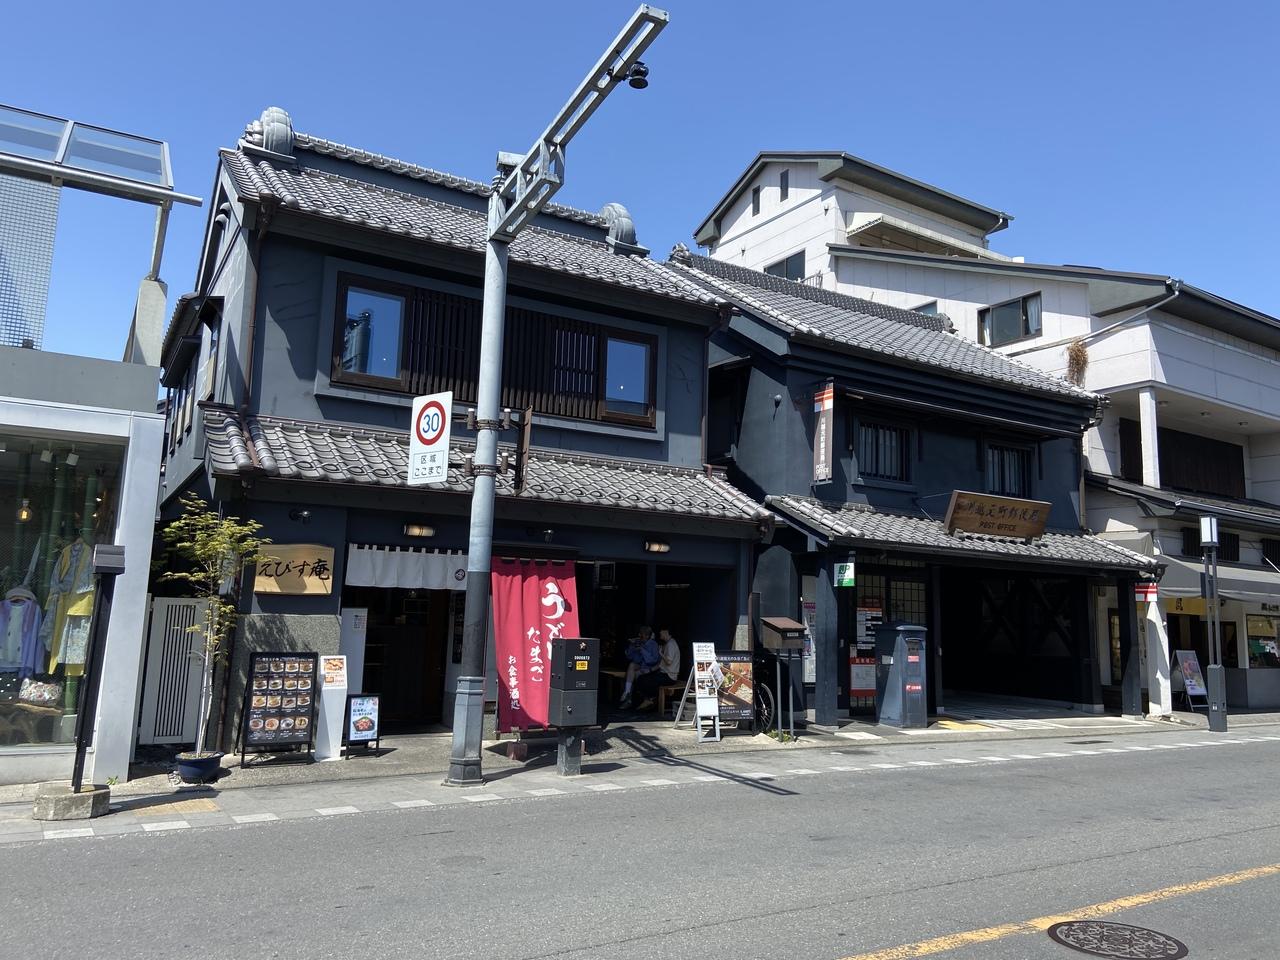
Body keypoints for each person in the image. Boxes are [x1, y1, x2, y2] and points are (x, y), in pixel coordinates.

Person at [632, 628, 681, 712]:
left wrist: (660, 653)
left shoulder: (671, 644)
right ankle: (649, 699)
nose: (659, 633)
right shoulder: (668, 643)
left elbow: (669, 661)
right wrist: (650, 670)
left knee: (644, 680)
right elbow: (661, 664)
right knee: (642, 678)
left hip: (669, 676)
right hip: (665, 673)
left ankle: (650, 699)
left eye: (661, 631)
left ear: (666, 632)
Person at [619, 627, 658, 708]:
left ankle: (629, 700)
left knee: (631, 676)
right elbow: (630, 657)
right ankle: (627, 692)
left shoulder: (653, 644)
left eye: (641, 634)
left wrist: (642, 650)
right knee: (631, 666)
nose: (639, 636)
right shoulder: (638, 642)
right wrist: (632, 645)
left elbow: (653, 661)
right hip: (640, 667)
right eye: (639, 634)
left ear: (647, 636)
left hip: (650, 669)